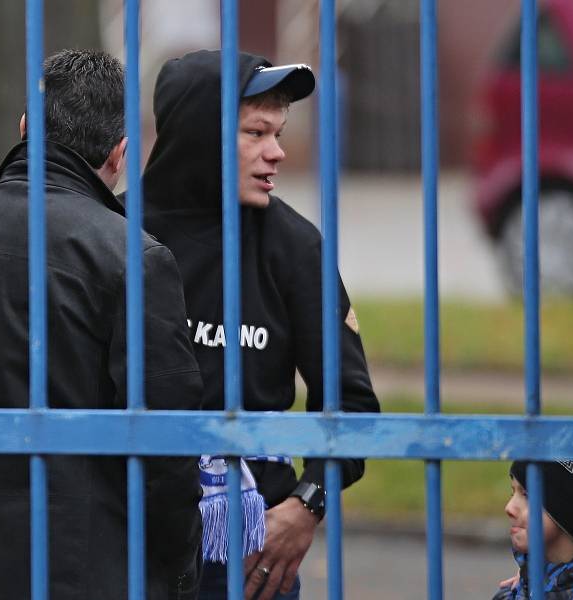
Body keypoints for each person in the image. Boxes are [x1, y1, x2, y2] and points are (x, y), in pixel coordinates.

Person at [0, 49, 204, 600]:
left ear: (24, 129)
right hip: (84, 566)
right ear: (120, 154)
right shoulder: (133, 257)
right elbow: (168, 444)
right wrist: (180, 570)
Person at [136, 49, 380, 600]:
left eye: (279, 132)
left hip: (250, 553)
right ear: (200, 134)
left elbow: (351, 406)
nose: (278, 152)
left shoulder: (295, 247)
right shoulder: (113, 235)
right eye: (256, 132)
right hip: (129, 536)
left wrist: (306, 505)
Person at [492, 461, 573, 600]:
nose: (509, 508)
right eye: (512, 493)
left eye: (527, 495)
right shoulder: (515, 590)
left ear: (566, 508)